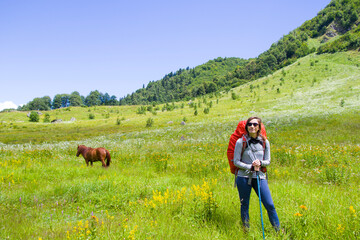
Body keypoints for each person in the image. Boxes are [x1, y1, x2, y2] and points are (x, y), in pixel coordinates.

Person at [233, 116, 280, 231]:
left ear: (259, 126)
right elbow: (236, 161)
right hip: (243, 177)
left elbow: (268, 161)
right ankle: (246, 231)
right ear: (246, 127)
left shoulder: (265, 142)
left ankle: (278, 230)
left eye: (255, 124)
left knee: (270, 205)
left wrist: (260, 163)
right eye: (249, 124)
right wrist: (250, 166)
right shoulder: (241, 142)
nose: (252, 126)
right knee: (244, 205)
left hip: (259, 177)